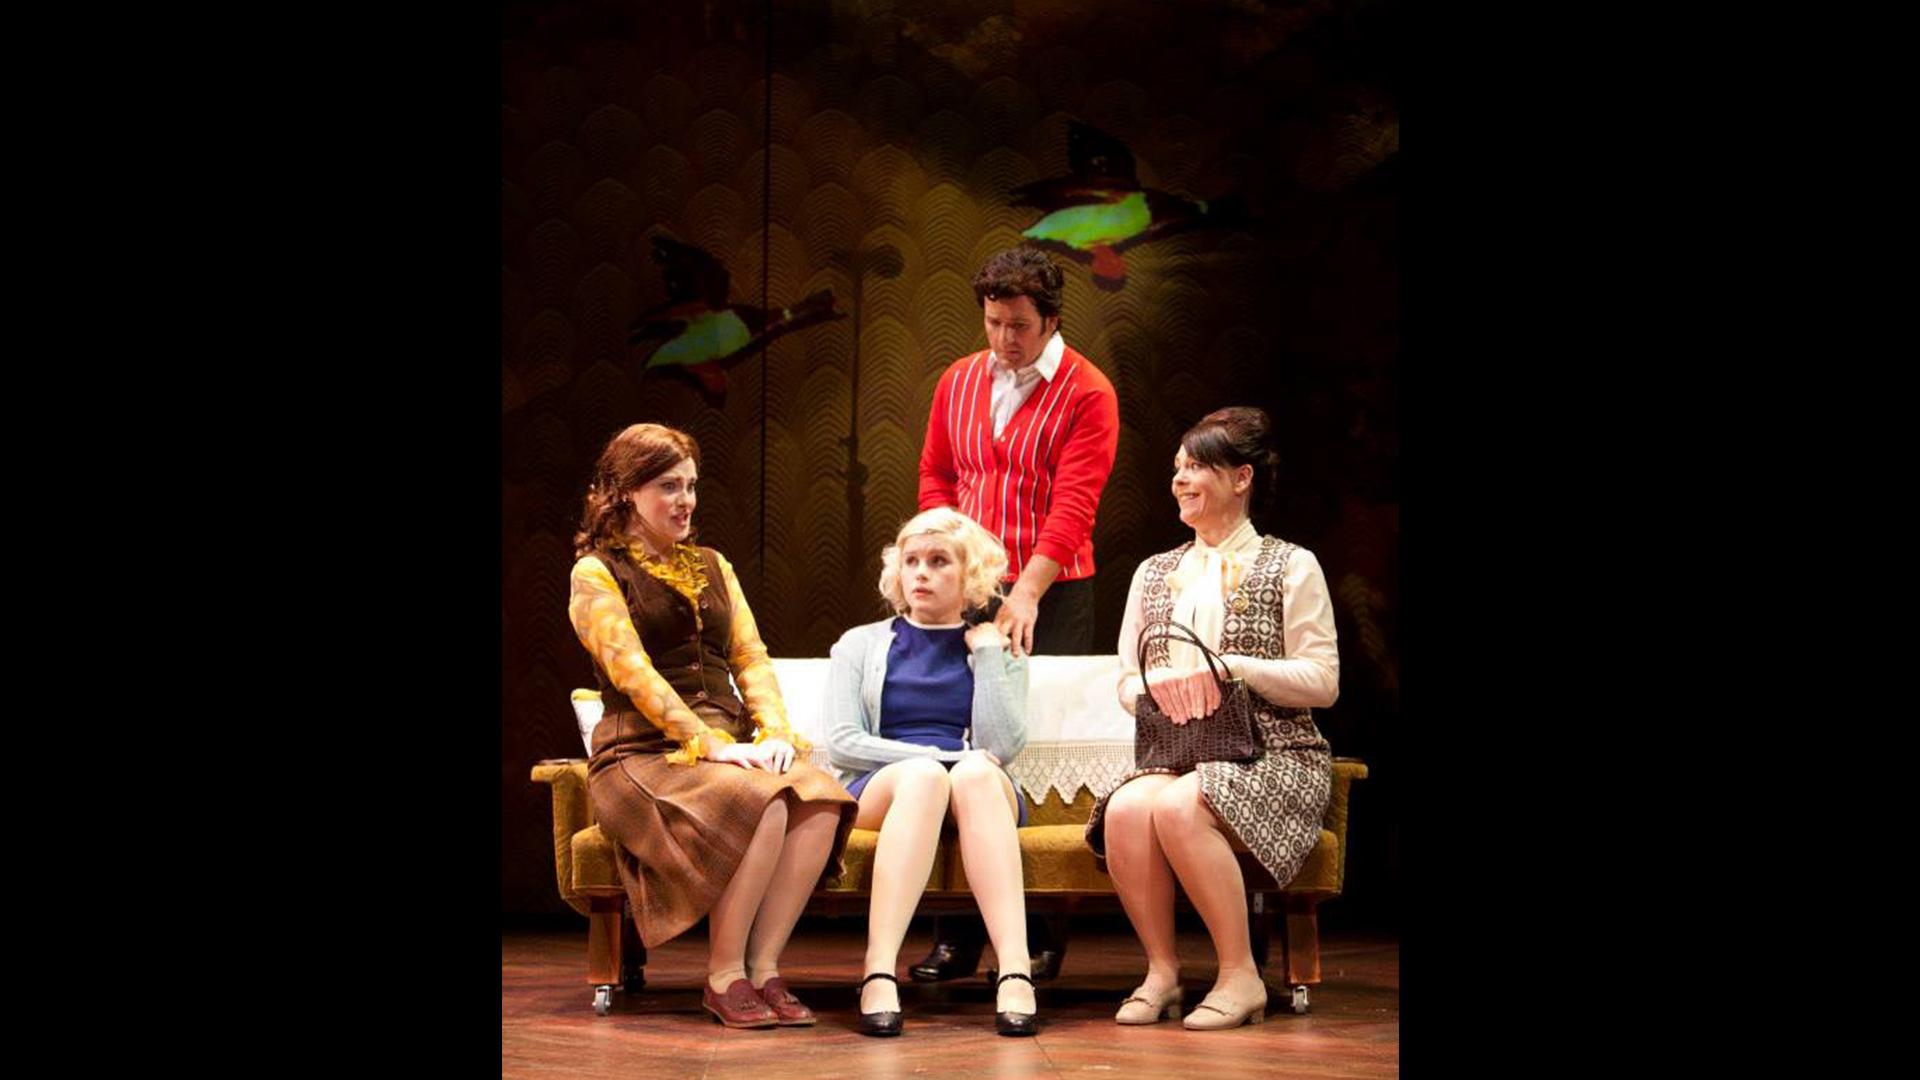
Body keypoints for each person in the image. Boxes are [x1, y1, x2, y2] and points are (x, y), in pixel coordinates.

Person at [567, 423, 857, 1029]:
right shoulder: (596, 573)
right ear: (625, 493)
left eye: (691, 486)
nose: (686, 500)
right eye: (668, 486)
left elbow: (750, 657)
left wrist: (775, 731)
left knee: (823, 799)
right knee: (768, 801)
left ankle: (765, 966)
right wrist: (713, 746)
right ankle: (724, 975)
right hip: (639, 754)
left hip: (723, 747)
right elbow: (635, 673)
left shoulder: (714, 566)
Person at [1084, 406, 1339, 1030]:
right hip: (1180, 753)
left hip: (1275, 754)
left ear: (1241, 477)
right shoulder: (1154, 573)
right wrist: (1159, 681)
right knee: (1125, 807)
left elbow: (1324, 683)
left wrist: (1235, 667)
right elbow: (1124, 681)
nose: (1180, 479)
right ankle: (1162, 971)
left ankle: (1239, 974)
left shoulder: (1291, 565)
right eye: (1178, 467)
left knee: (1177, 807)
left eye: (1197, 466)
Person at [913, 244, 1119, 980]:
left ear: (1052, 320)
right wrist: (943, 559)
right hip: (970, 587)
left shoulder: (1087, 392)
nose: (1004, 339)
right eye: (994, 323)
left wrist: (1026, 592)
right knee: (952, 742)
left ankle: (1037, 932)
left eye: (1019, 326)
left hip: (1052, 589)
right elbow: (938, 472)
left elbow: (1074, 506)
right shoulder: (960, 381)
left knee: (1026, 748)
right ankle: (955, 931)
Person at [823, 508, 1039, 1037]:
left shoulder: (994, 645)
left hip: (974, 787)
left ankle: (1016, 970)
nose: (919, 572)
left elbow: (1000, 747)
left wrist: (988, 653)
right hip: (886, 785)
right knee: (925, 776)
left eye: (938, 561)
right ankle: (878, 971)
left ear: (968, 577)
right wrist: (943, 759)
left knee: (973, 777)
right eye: (911, 561)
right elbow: (844, 741)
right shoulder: (861, 644)